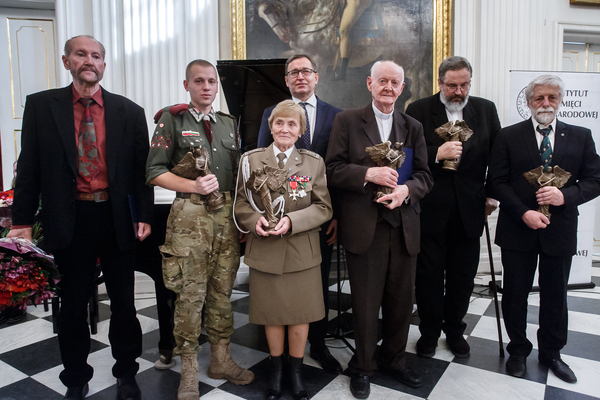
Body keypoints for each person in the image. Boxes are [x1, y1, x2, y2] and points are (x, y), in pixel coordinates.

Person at [8, 35, 153, 400]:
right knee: (72, 307)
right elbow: (29, 168)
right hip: (69, 218)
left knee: (124, 304)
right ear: (66, 61)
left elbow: (141, 172)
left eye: (96, 56)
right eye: (81, 54)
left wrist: (144, 215)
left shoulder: (129, 111)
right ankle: (75, 377)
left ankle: (126, 372)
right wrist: (21, 222)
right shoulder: (42, 106)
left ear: (103, 64)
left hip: (116, 217)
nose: (90, 60)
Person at [146, 59, 254, 400]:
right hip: (189, 218)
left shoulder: (228, 123)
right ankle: (189, 368)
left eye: (211, 81)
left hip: (225, 217)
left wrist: (241, 219)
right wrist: (192, 185)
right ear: (187, 85)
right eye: (198, 81)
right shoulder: (172, 119)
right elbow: (154, 171)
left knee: (222, 291)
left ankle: (221, 359)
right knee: (190, 295)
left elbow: (237, 175)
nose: (206, 87)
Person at [325, 60, 433, 399]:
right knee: (366, 303)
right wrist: (368, 174)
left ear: (402, 88)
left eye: (395, 82)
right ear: (370, 83)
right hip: (364, 227)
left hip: (404, 227)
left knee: (401, 302)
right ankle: (363, 365)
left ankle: (394, 359)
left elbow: (425, 176)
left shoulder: (412, 126)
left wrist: (406, 191)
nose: (388, 87)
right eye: (382, 80)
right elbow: (332, 169)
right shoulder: (347, 121)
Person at [488, 75, 600, 383]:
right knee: (515, 294)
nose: (546, 103)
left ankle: (552, 353)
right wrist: (523, 212)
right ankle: (518, 350)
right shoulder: (508, 136)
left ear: (560, 100)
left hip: (559, 229)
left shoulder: (580, 136)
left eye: (552, 97)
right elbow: (496, 181)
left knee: (555, 296)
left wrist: (566, 196)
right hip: (517, 228)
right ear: (528, 103)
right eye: (539, 98)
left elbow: (595, 179)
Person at [235, 100, 333, 400]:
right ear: (271, 126)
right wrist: (253, 221)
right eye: (280, 122)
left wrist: (292, 221)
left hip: (301, 252)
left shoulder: (313, 163)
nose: (285, 129)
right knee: (273, 314)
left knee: (300, 313)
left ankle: (296, 372)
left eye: (292, 124)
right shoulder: (251, 160)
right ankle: (277, 371)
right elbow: (240, 203)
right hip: (265, 249)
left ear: (301, 130)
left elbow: (324, 207)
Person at [405, 56, 501, 358]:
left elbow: (498, 156)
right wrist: (437, 152)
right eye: (452, 86)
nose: (458, 92)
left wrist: (492, 195)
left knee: (463, 277)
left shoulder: (485, 110)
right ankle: (429, 333)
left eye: (464, 85)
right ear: (440, 83)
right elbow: (406, 155)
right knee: (429, 277)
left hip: (471, 209)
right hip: (430, 209)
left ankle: (455, 331)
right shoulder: (418, 110)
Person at [257, 53, 343, 373]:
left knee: (317, 284)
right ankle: (278, 352)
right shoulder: (272, 114)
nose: (301, 76)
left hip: (319, 217)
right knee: (277, 284)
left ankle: (318, 344)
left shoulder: (337, 116)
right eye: (294, 72)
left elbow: (339, 169)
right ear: (286, 80)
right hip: (278, 218)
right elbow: (260, 166)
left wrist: (337, 216)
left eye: (306, 71)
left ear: (316, 77)